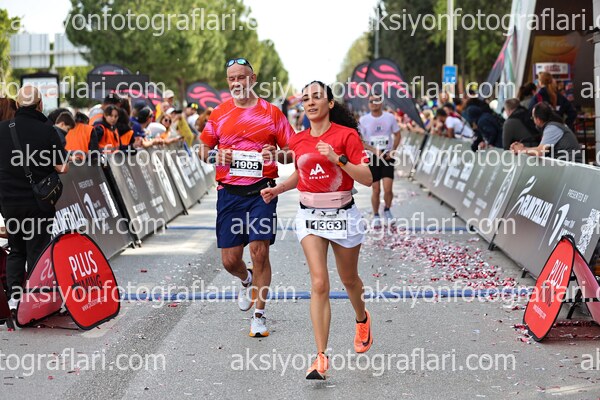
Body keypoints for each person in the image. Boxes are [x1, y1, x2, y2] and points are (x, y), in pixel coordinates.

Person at [261, 81, 373, 380]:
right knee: (319, 282)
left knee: (349, 280)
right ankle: (320, 357)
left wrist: (338, 159)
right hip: (309, 216)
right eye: (306, 98)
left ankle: (361, 318)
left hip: (343, 214)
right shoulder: (298, 140)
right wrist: (278, 189)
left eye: (317, 97)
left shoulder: (346, 136)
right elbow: (302, 173)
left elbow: (367, 178)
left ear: (330, 103)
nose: (310, 102)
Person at [198, 57, 294, 338]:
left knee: (259, 252)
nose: (237, 83)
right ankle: (246, 278)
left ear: (253, 79)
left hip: (262, 192)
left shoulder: (272, 113)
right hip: (229, 194)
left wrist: (276, 155)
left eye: (242, 77)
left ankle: (259, 316)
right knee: (230, 261)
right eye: (232, 79)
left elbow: (292, 151)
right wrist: (216, 156)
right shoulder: (219, 113)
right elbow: (202, 151)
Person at [0, 86, 69, 308]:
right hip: (38, 203)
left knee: (16, 249)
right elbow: (62, 168)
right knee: (37, 250)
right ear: (40, 105)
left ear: (17, 105)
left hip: (9, 203)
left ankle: (14, 299)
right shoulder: (47, 131)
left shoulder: (2, 130)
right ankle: (35, 298)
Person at [358, 94, 401, 228]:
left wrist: (393, 150)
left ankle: (387, 210)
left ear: (381, 102)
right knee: (376, 189)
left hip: (387, 156)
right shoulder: (363, 120)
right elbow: (360, 141)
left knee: (388, 188)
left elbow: (397, 134)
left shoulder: (389, 117)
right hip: (372, 157)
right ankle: (376, 215)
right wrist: (374, 150)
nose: (373, 103)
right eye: (371, 101)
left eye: (376, 101)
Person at [511, 102, 582, 162]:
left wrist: (522, 149)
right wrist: (522, 148)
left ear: (538, 120)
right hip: (569, 165)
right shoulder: (557, 125)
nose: (533, 121)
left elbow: (539, 152)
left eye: (533, 118)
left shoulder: (552, 128)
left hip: (571, 167)